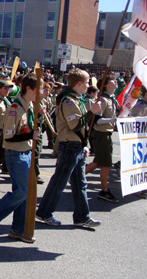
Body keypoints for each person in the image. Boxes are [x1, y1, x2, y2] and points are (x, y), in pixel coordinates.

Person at [36, 68, 102, 228]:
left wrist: (84, 144)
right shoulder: (68, 101)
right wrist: (91, 113)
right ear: (78, 84)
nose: (88, 86)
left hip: (77, 146)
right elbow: (75, 125)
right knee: (59, 181)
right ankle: (44, 212)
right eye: (86, 83)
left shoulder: (76, 99)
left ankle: (82, 217)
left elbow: (81, 129)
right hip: (69, 147)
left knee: (80, 183)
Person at [0, 73, 39, 243]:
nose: (42, 92)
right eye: (39, 88)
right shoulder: (14, 108)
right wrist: (30, 136)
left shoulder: (29, 106)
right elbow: (9, 137)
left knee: (23, 194)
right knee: (22, 192)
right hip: (16, 154)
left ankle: (17, 229)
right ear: (29, 88)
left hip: (26, 153)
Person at [85, 76, 119, 202]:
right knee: (105, 163)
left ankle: (77, 176)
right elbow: (96, 121)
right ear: (105, 85)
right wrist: (113, 120)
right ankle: (104, 190)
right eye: (112, 80)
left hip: (107, 134)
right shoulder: (103, 100)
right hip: (102, 134)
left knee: (99, 161)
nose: (116, 82)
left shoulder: (111, 100)